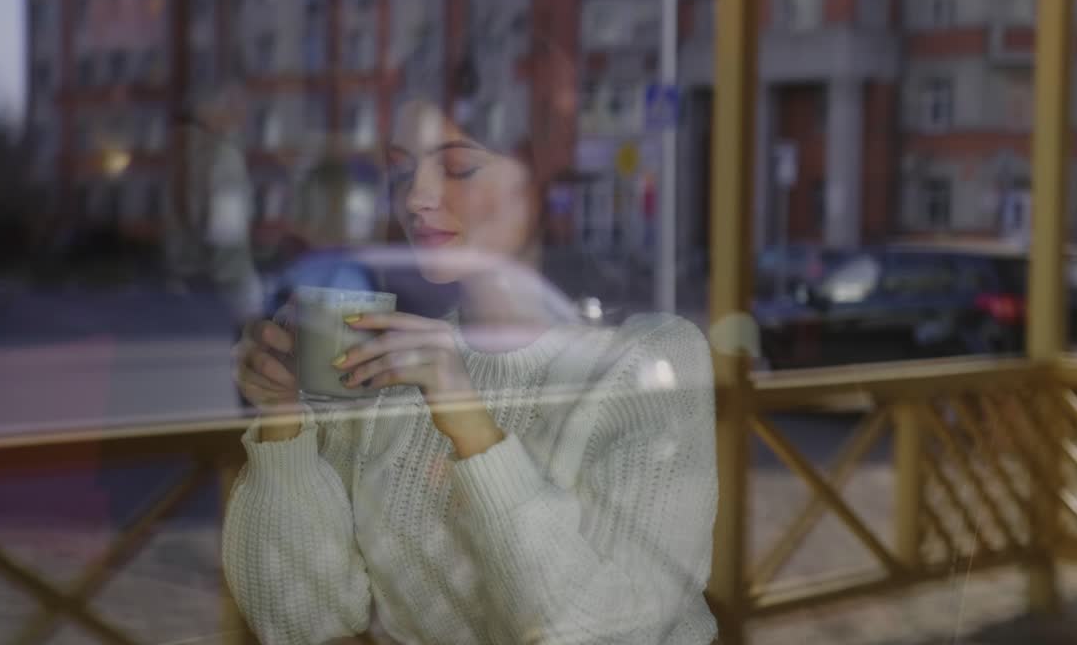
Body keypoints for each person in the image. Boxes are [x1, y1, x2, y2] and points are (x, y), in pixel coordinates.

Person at [223, 98, 719, 644]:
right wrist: (282, 418)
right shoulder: (394, 364)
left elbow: (610, 633)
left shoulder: (649, 360)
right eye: (402, 171)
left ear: (540, 180)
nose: (416, 197)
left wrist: (472, 428)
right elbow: (300, 621)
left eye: (458, 167)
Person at [163, 78, 264, 333]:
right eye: (233, 109)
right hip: (220, 245)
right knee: (244, 297)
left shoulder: (223, 145)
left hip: (219, 243)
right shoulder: (207, 148)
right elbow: (216, 212)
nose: (240, 115)